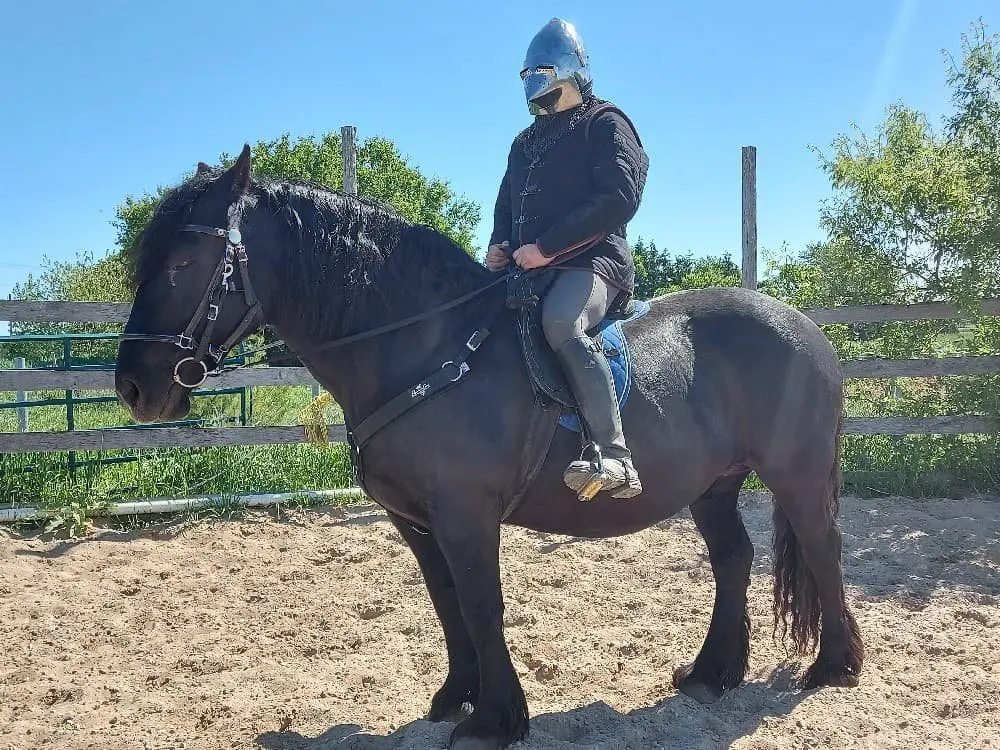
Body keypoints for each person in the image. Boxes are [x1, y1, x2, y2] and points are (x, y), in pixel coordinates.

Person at [485, 17, 649, 500]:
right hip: (528, 268)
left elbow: (619, 198)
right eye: (530, 76)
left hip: (593, 263)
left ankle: (616, 455)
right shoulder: (525, 141)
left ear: (571, 71)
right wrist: (499, 244)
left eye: (545, 74)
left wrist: (547, 248)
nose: (538, 88)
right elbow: (506, 202)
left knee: (561, 323)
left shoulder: (606, 123)